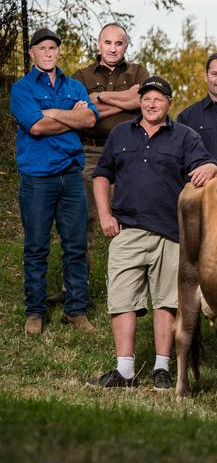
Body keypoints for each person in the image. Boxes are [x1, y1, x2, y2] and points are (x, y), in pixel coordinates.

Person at [90, 76, 217, 388]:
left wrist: (211, 168)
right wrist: (105, 215)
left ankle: (162, 369)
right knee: (122, 299)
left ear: (169, 104)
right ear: (140, 102)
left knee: (167, 302)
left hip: (171, 233)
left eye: (158, 99)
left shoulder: (184, 136)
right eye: (146, 98)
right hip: (127, 229)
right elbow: (101, 175)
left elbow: (206, 164)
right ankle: (124, 371)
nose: (151, 103)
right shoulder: (121, 133)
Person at [39, 23, 151, 306]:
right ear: (99, 44)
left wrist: (98, 100)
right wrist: (124, 103)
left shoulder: (138, 72)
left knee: (133, 220)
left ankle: (133, 292)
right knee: (82, 221)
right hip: (90, 151)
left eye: (119, 43)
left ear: (126, 46)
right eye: (108, 43)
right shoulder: (80, 75)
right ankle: (76, 290)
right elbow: (78, 114)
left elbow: (143, 100)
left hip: (131, 153)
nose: (113, 48)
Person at [10, 28, 98, 335]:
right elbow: (35, 127)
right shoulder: (21, 89)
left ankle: (76, 310)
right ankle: (35, 311)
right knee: (36, 246)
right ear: (32, 53)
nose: (49, 53)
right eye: (42, 48)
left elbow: (89, 120)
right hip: (37, 179)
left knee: (75, 245)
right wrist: (67, 117)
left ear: (58, 52)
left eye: (53, 48)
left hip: (71, 176)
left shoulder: (73, 85)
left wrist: (53, 113)